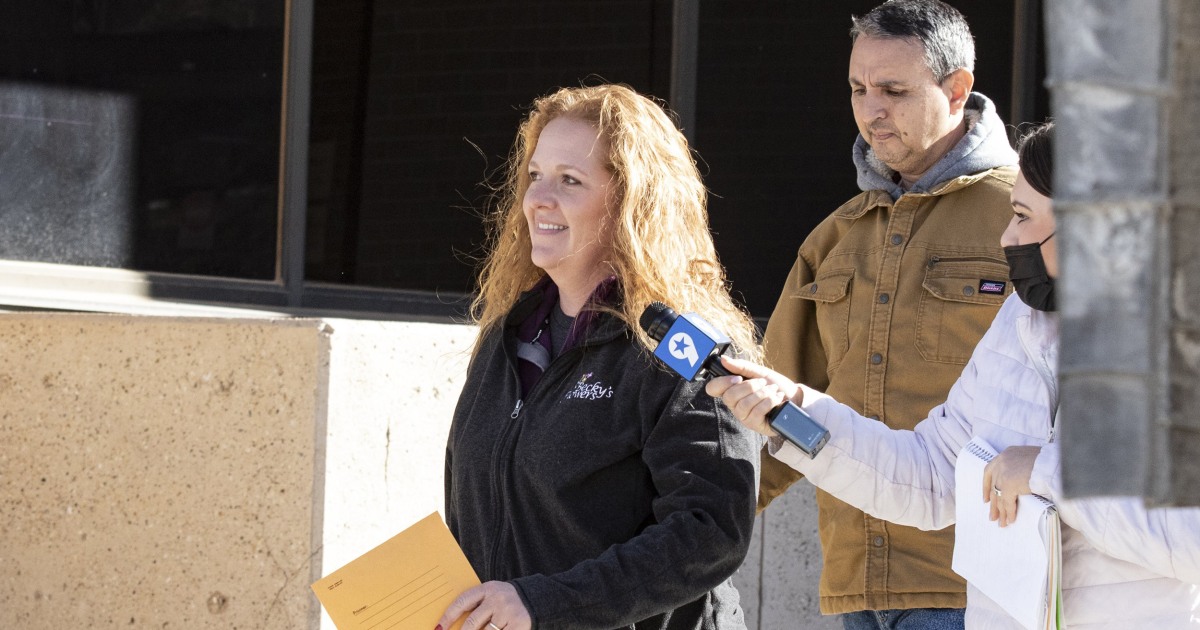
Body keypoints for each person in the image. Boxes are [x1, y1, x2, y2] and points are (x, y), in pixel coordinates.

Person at [710, 121, 1200, 628]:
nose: (1007, 236)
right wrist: (793, 411)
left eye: (1022, 216)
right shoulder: (1017, 323)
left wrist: (1047, 472)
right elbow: (932, 474)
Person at [436, 84, 762, 630]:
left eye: (570, 180)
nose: (539, 198)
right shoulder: (507, 337)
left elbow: (709, 531)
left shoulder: (678, 348)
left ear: (632, 201)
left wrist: (546, 604)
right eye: (536, 175)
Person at [757, 1, 1019, 627]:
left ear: (957, 90)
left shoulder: (1028, 222)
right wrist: (676, 533)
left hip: (980, 589)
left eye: (894, 90)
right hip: (857, 590)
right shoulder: (834, 239)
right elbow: (771, 420)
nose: (871, 111)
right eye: (858, 88)